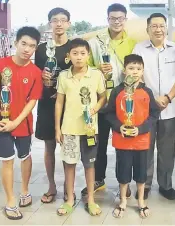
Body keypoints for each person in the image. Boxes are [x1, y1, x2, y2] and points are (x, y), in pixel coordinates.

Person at [82, 3, 137, 198]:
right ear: (107, 19)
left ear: (125, 20)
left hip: (124, 101)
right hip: (102, 101)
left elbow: (137, 69)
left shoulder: (132, 43)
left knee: (125, 144)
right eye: (113, 18)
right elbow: (86, 69)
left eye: (120, 18)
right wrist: (98, 71)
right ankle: (98, 179)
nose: (116, 22)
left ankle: (125, 181)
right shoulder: (96, 43)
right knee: (100, 142)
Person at [0, 26, 42, 220]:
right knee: (7, 160)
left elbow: (32, 101)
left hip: (23, 123)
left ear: (36, 48)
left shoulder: (36, 72)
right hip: (1, 123)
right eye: (24, 44)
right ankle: (10, 200)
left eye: (32, 46)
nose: (27, 49)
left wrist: (17, 121)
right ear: (16, 43)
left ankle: (25, 191)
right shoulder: (0, 65)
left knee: (25, 156)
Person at [132, 13, 175, 200]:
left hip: (169, 109)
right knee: (145, 148)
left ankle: (165, 185)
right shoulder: (139, 48)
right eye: (154, 26)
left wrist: (168, 97)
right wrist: (151, 99)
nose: (158, 29)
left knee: (167, 150)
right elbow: (135, 75)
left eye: (162, 26)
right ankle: (144, 184)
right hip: (146, 109)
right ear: (147, 29)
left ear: (166, 28)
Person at [55, 38, 106, 216]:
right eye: (75, 54)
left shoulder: (96, 75)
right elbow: (59, 103)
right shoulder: (63, 76)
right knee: (69, 165)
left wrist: (95, 109)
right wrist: (57, 128)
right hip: (69, 129)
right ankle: (70, 199)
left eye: (82, 53)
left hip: (90, 130)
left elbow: (103, 97)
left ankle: (90, 200)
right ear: (68, 56)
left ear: (88, 55)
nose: (79, 57)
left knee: (89, 166)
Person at [106, 54, 160, 218]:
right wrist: (119, 126)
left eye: (138, 69)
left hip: (141, 140)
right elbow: (109, 114)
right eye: (131, 68)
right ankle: (122, 200)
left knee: (141, 172)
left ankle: (141, 201)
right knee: (123, 171)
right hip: (122, 140)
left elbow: (154, 114)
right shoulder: (117, 91)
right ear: (124, 71)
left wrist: (142, 129)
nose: (134, 72)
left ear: (143, 71)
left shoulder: (146, 91)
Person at [34, 7, 72, 204]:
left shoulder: (74, 47)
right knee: (49, 147)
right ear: (50, 23)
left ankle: (68, 187)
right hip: (47, 104)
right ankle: (51, 186)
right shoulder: (41, 49)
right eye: (54, 20)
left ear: (68, 24)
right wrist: (41, 77)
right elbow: (34, 75)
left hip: (69, 106)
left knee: (68, 148)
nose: (59, 24)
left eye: (62, 20)